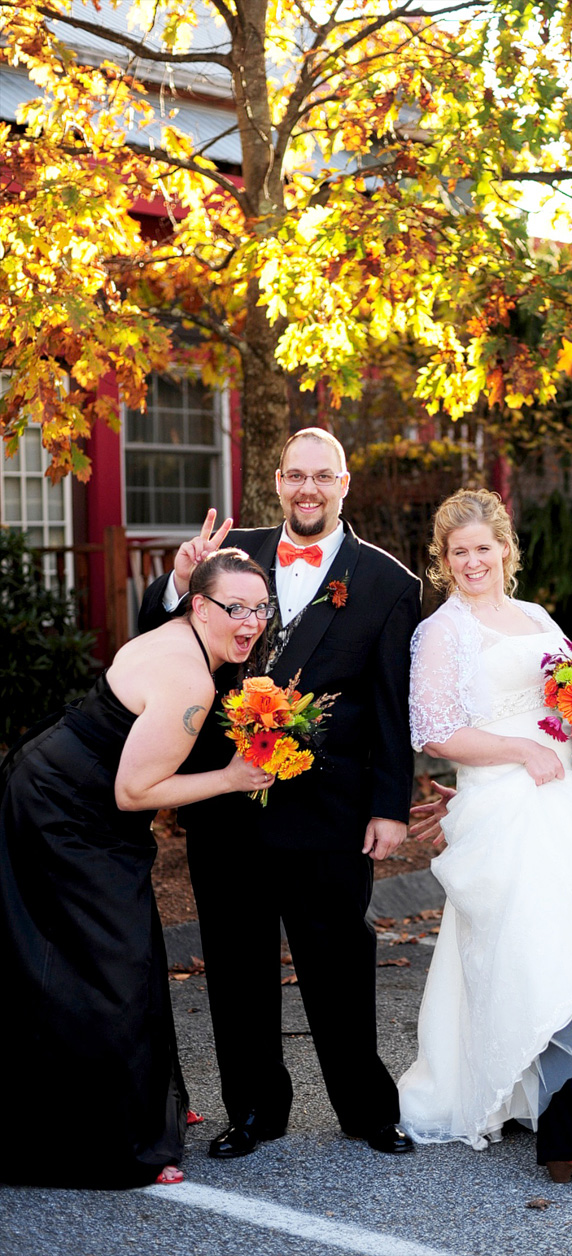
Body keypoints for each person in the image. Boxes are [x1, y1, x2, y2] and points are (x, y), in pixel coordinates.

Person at [139, 427, 422, 1158]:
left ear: (344, 483)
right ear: (276, 481)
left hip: (331, 811)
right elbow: (160, 638)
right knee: (235, 966)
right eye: (295, 476)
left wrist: (392, 805)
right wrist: (176, 582)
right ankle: (256, 1111)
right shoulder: (228, 559)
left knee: (339, 963)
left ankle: (366, 1109)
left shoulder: (389, 583)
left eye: (321, 477)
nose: (307, 489)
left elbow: (393, 704)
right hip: (226, 800)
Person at [398, 490, 572, 1184]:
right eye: (458, 552)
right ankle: (568, 1132)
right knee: (555, 956)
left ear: (506, 550)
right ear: (444, 561)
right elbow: (435, 732)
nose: (472, 561)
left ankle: (551, 1109)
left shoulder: (533, 617)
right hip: (506, 805)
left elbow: (570, 699)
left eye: (483, 548)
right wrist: (517, 752)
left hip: (566, 795)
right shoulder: (443, 631)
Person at [0, 550, 275, 1189]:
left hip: (60, 784)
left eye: (260, 607)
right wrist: (233, 777)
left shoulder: (177, 631)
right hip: (65, 811)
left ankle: (145, 1105)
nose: (251, 621)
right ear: (200, 607)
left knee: (126, 952)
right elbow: (135, 792)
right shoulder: (191, 682)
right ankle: (110, 1138)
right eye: (235, 608)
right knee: (105, 963)